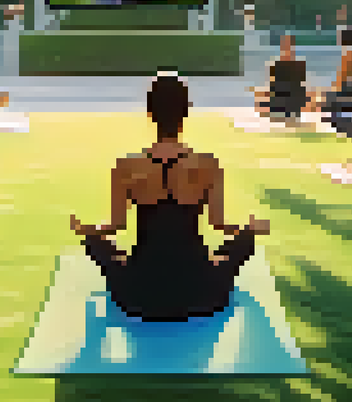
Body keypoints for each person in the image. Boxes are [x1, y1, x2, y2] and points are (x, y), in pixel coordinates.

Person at [69, 73, 271, 322]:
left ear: (150, 113)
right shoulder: (207, 164)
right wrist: (248, 229)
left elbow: (115, 226)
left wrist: (88, 229)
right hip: (200, 292)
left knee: (94, 242)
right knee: (243, 241)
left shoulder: (126, 166)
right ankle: (246, 235)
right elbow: (218, 224)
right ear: (186, 112)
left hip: (140, 295)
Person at [252, 34, 313, 119]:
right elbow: (272, 86)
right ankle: (283, 111)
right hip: (284, 100)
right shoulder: (277, 66)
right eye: (285, 46)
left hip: (289, 100)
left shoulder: (298, 65)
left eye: (287, 46)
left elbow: (301, 86)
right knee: (262, 100)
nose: (286, 49)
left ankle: (282, 111)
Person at [319, 27, 352, 114]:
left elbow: (342, 76)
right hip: (351, 87)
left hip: (346, 89)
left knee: (327, 100)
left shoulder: (347, 54)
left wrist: (334, 86)